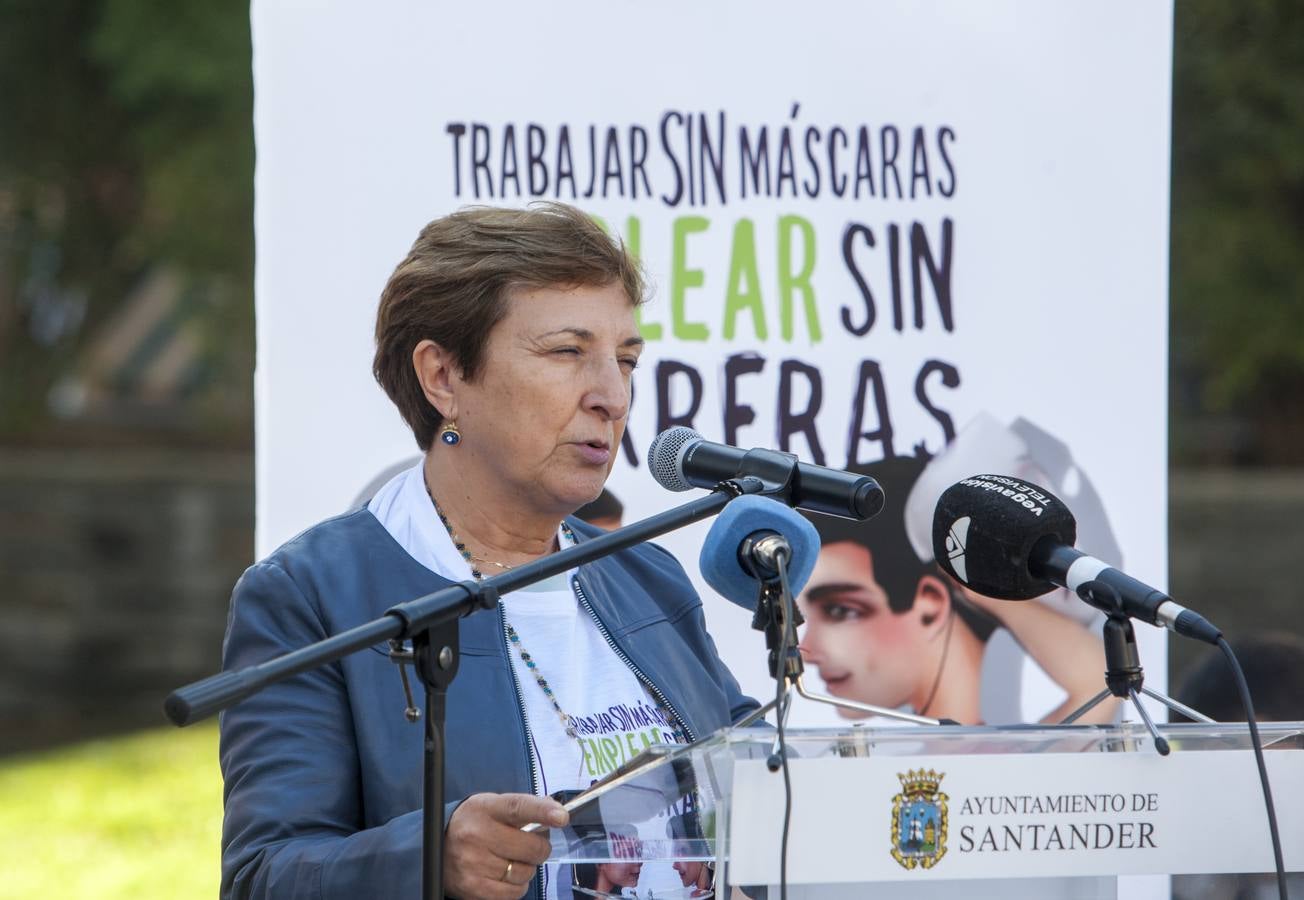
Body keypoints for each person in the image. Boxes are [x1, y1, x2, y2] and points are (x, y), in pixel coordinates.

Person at [219, 203, 757, 900]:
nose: (613, 396)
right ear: (444, 377)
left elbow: (752, 781)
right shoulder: (314, 597)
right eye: (568, 352)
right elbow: (263, 877)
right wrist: (427, 859)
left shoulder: (646, 575)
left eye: (626, 360)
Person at [798, 454, 1116, 725]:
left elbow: (1099, 685)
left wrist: (976, 571)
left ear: (931, 605)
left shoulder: (997, 763)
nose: (805, 650)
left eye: (839, 610)